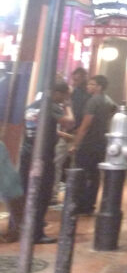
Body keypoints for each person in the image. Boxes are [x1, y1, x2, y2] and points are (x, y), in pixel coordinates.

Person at [18, 81, 74, 243]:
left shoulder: (33, 106)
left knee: (28, 192)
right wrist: (68, 106)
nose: (64, 99)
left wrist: (59, 135)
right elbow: (69, 122)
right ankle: (36, 233)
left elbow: (34, 128)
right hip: (42, 156)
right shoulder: (52, 106)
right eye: (65, 96)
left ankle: (28, 226)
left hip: (27, 153)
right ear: (58, 93)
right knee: (43, 193)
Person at [69, 75, 116, 216]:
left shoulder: (93, 101)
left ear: (99, 87)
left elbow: (85, 125)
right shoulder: (107, 100)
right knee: (94, 174)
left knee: (81, 173)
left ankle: (80, 204)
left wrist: (75, 144)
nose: (88, 86)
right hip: (101, 142)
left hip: (89, 143)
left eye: (92, 84)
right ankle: (90, 204)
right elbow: (115, 108)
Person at [0, 142, 23, 242]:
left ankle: (17, 232)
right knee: (16, 210)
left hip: (8, 184)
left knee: (16, 209)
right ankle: (16, 232)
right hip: (9, 184)